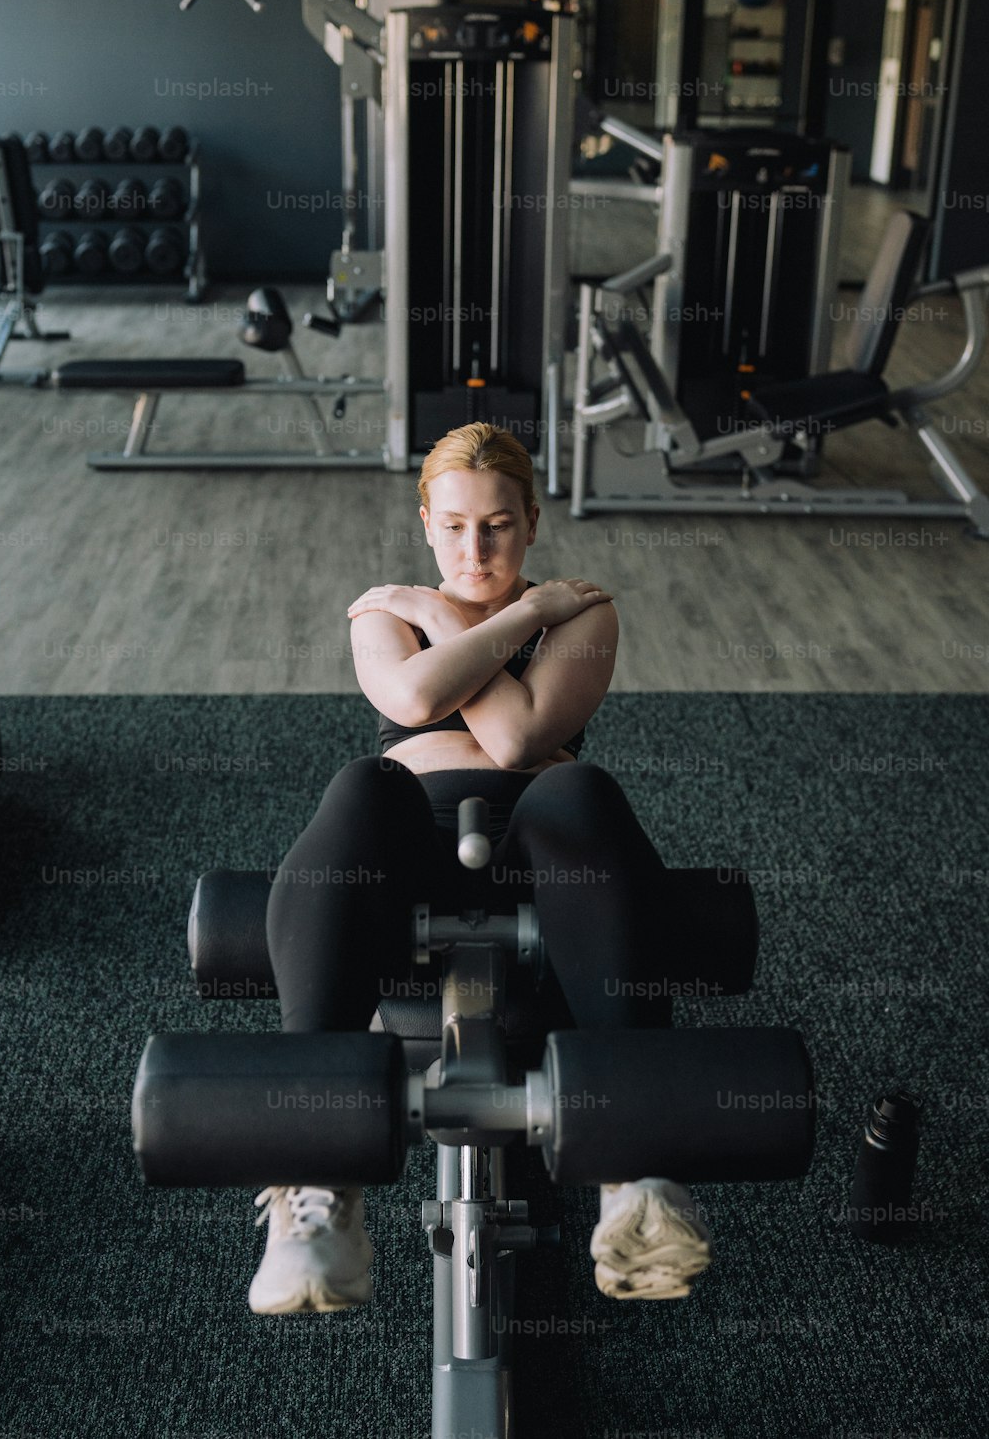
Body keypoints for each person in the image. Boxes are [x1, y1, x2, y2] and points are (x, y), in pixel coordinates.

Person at [248, 422, 712, 1316]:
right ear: (426, 521)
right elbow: (416, 699)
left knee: (579, 788)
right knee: (361, 785)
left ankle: (634, 1177)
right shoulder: (386, 609)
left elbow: (517, 737)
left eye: (498, 525)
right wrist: (490, 619)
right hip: (408, 842)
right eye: (455, 526)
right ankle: (317, 1186)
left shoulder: (582, 609)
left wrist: (490, 617)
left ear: (532, 520)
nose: (476, 548)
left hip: (550, 851)